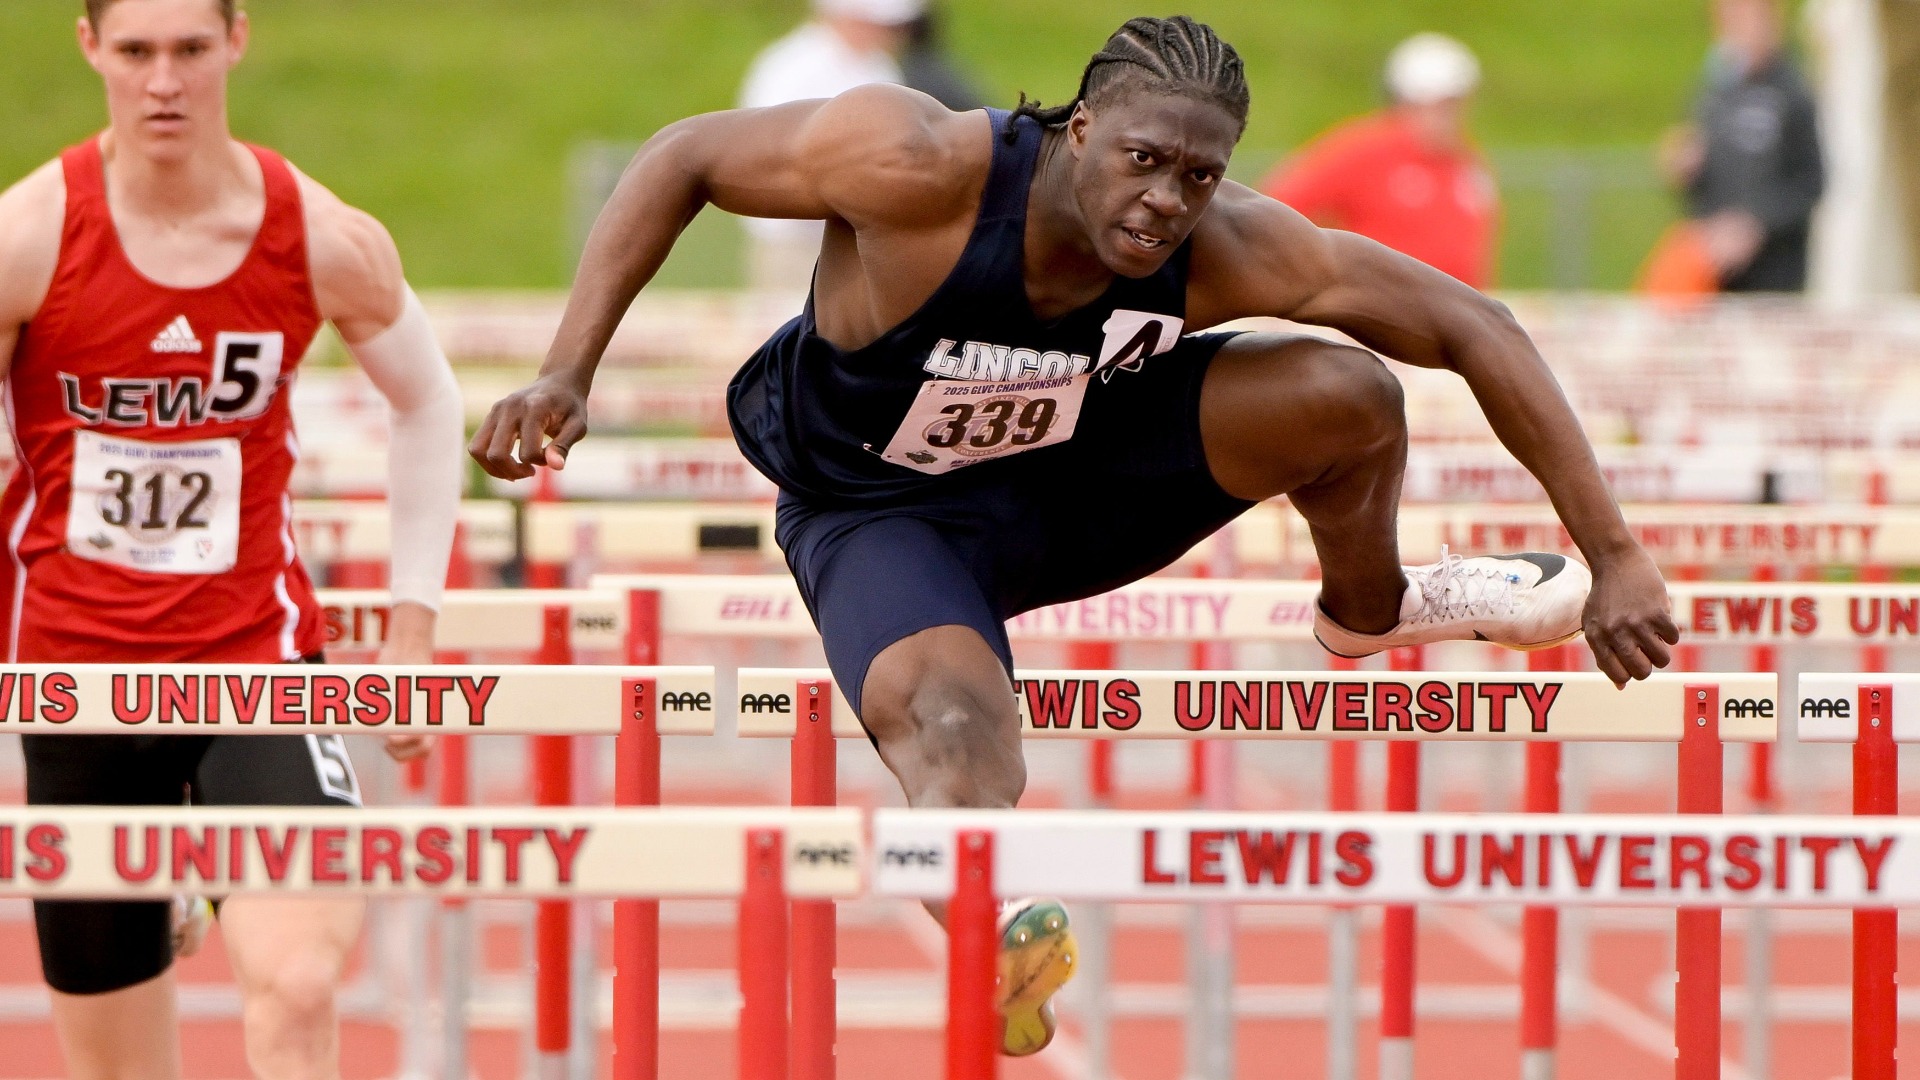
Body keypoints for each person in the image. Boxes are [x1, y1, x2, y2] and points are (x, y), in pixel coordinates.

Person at [473, 14, 1679, 1056]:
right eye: (1145, 162)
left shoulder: (1230, 245)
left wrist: (1614, 547)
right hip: (882, 510)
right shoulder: (914, 164)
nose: (1164, 204)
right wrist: (567, 372)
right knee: (953, 722)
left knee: (1350, 392)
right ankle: (993, 917)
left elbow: (1474, 322)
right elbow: (683, 154)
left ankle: (1371, 607)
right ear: (1082, 128)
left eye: (1198, 180)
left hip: (1075, 485)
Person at [0, 0, 465, 1075]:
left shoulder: (316, 235)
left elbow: (430, 403)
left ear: (237, 42)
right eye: (136, 52)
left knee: (301, 984)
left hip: (253, 662)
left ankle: (215, 860)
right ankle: (172, 874)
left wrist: (412, 626)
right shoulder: (29, 237)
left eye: (190, 50)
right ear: (90, 50)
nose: (164, 81)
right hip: (81, 682)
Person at [1260, 32, 1498, 289]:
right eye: (1442, 105)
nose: (1451, 116)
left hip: (1457, 312)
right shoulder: (1367, 148)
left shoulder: (1465, 160)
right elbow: (1282, 201)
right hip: (1384, 311)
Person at [737, 0, 926, 291]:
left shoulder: (880, 68)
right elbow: (765, 155)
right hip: (794, 242)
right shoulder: (789, 68)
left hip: (859, 241)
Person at [1658, 0, 1824, 292]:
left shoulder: (1793, 92)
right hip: (1713, 273)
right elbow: (1702, 186)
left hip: (1775, 273)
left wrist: (1756, 224)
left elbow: (1812, 183)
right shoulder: (1713, 92)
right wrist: (1687, 169)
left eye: (1742, 16)